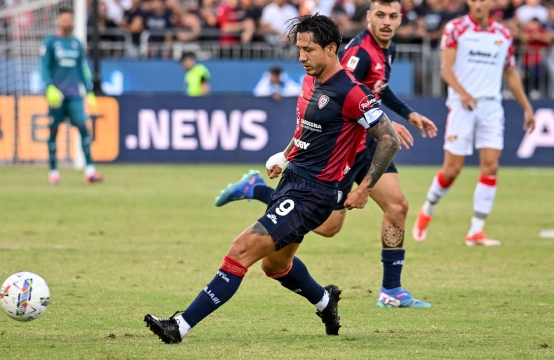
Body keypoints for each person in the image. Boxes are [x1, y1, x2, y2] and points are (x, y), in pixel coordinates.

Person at [144, 14, 401, 344]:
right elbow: (309, 131)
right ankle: (325, 301)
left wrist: (365, 188)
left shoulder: (351, 92)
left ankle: (178, 326)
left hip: (312, 195)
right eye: (299, 49)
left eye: (308, 49)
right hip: (292, 182)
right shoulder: (313, 83)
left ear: (331, 48)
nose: (301, 56)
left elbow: (389, 139)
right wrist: (285, 154)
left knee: (241, 250)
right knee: (275, 265)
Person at [216, 0, 436, 308]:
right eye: (381, 15)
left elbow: (378, 90)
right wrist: (382, 123)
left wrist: (406, 115)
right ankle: (261, 191)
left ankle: (391, 290)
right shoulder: (358, 55)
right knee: (329, 227)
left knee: (397, 205)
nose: (387, 21)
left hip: (367, 145)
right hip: (343, 151)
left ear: (401, 18)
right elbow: (344, 94)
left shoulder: (388, 49)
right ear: (369, 17)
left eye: (394, 16)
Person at [413, 0, 536, 246]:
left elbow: (510, 72)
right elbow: (446, 69)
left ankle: (476, 230)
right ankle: (428, 208)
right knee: (452, 170)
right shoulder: (456, 28)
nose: (479, 4)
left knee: (491, 165)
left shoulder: (502, 33)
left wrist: (527, 107)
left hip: (491, 106)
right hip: (462, 105)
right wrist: (463, 93)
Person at [41, 8, 103, 185]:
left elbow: (82, 70)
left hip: (75, 96)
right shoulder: (51, 42)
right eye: (64, 19)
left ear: (74, 22)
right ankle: (53, 172)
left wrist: (89, 91)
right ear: (58, 21)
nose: (67, 22)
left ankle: (90, 171)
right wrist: (49, 87)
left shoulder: (77, 43)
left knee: (84, 130)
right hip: (57, 97)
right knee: (53, 133)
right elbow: (44, 66)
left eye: (70, 19)